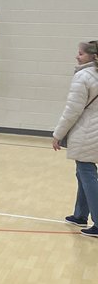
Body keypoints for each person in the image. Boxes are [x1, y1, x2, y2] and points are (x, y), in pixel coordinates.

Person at [54, 39, 98, 237]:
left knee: (87, 174)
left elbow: (72, 110)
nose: (76, 56)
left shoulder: (83, 76)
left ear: (92, 56)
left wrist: (58, 134)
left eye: (80, 53)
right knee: (84, 173)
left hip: (88, 131)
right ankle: (80, 214)